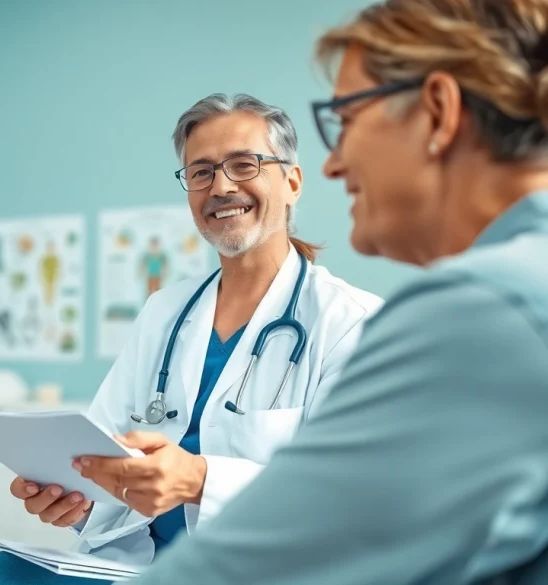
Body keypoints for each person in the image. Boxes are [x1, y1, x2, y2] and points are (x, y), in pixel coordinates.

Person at [122, 1, 548, 584]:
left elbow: (292, 551)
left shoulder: (482, 309)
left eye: (344, 120)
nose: (335, 164)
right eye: (201, 172)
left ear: (439, 111)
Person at [0, 94, 383, 584]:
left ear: (292, 182)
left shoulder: (351, 323)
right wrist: (76, 499)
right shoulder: (164, 313)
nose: (221, 186)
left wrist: (197, 480)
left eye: (244, 165)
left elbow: (352, 497)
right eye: (201, 172)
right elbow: (104, 454)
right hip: (134, 569)